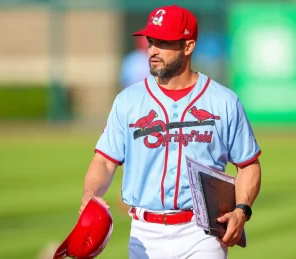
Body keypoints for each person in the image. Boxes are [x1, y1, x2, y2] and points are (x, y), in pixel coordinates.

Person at [80, 4, 261, 259]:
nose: (153, 50)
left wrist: (242, 210)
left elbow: (249, 164)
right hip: (144, 233)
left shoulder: (224, 101)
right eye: (151, 41)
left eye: (163, 42)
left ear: (188, 46)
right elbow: (104, 161)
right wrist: (91, 194)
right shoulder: (127, 101)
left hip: (203, 233)